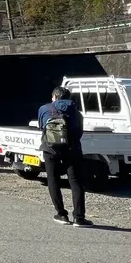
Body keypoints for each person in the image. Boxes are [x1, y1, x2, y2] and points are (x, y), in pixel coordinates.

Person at [38, 87, 92, 227]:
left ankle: (61, 214)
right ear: (69, 98)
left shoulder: (44, 109)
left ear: (54, 96)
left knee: (53, 180)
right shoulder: (77, 113)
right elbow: (80, 132)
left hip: (50, 150)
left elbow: (42, 127)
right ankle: (79, 218)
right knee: (76, 182)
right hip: (72, 150)